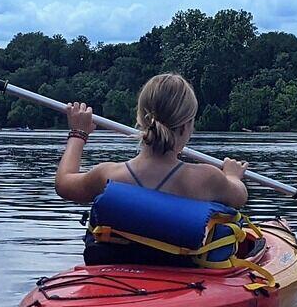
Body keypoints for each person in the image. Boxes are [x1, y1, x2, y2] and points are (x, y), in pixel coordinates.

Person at [53, 73, 248, 208]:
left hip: (119, 266)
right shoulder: (207, 178)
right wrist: (232, 175)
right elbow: (240, 196)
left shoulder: (108, 176)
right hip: (180, 267)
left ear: (140, 119)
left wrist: (78, 133)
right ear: (186, 126)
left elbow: (64, 183)